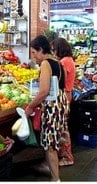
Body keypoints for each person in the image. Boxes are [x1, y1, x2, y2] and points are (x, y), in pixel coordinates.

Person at [24, 35, 67, 182]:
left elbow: (44, 91)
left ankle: (56, 179)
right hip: (60, 104)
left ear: (41, 50)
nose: (33, 57)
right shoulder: (58, 63)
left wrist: (30, 106)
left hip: (51, 107)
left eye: (34, 53)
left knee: (50, 147)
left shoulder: (46, 64)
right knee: (53, 143)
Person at [52, 37, 75, 167]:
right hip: (68, 94)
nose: (54, 52)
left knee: (63, 128)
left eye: (54, 49)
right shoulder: (69, 60)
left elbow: (60, 81)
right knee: (62, 126)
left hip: (64, 96)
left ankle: (68, 157)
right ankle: (62, 154)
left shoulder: (65, 61)